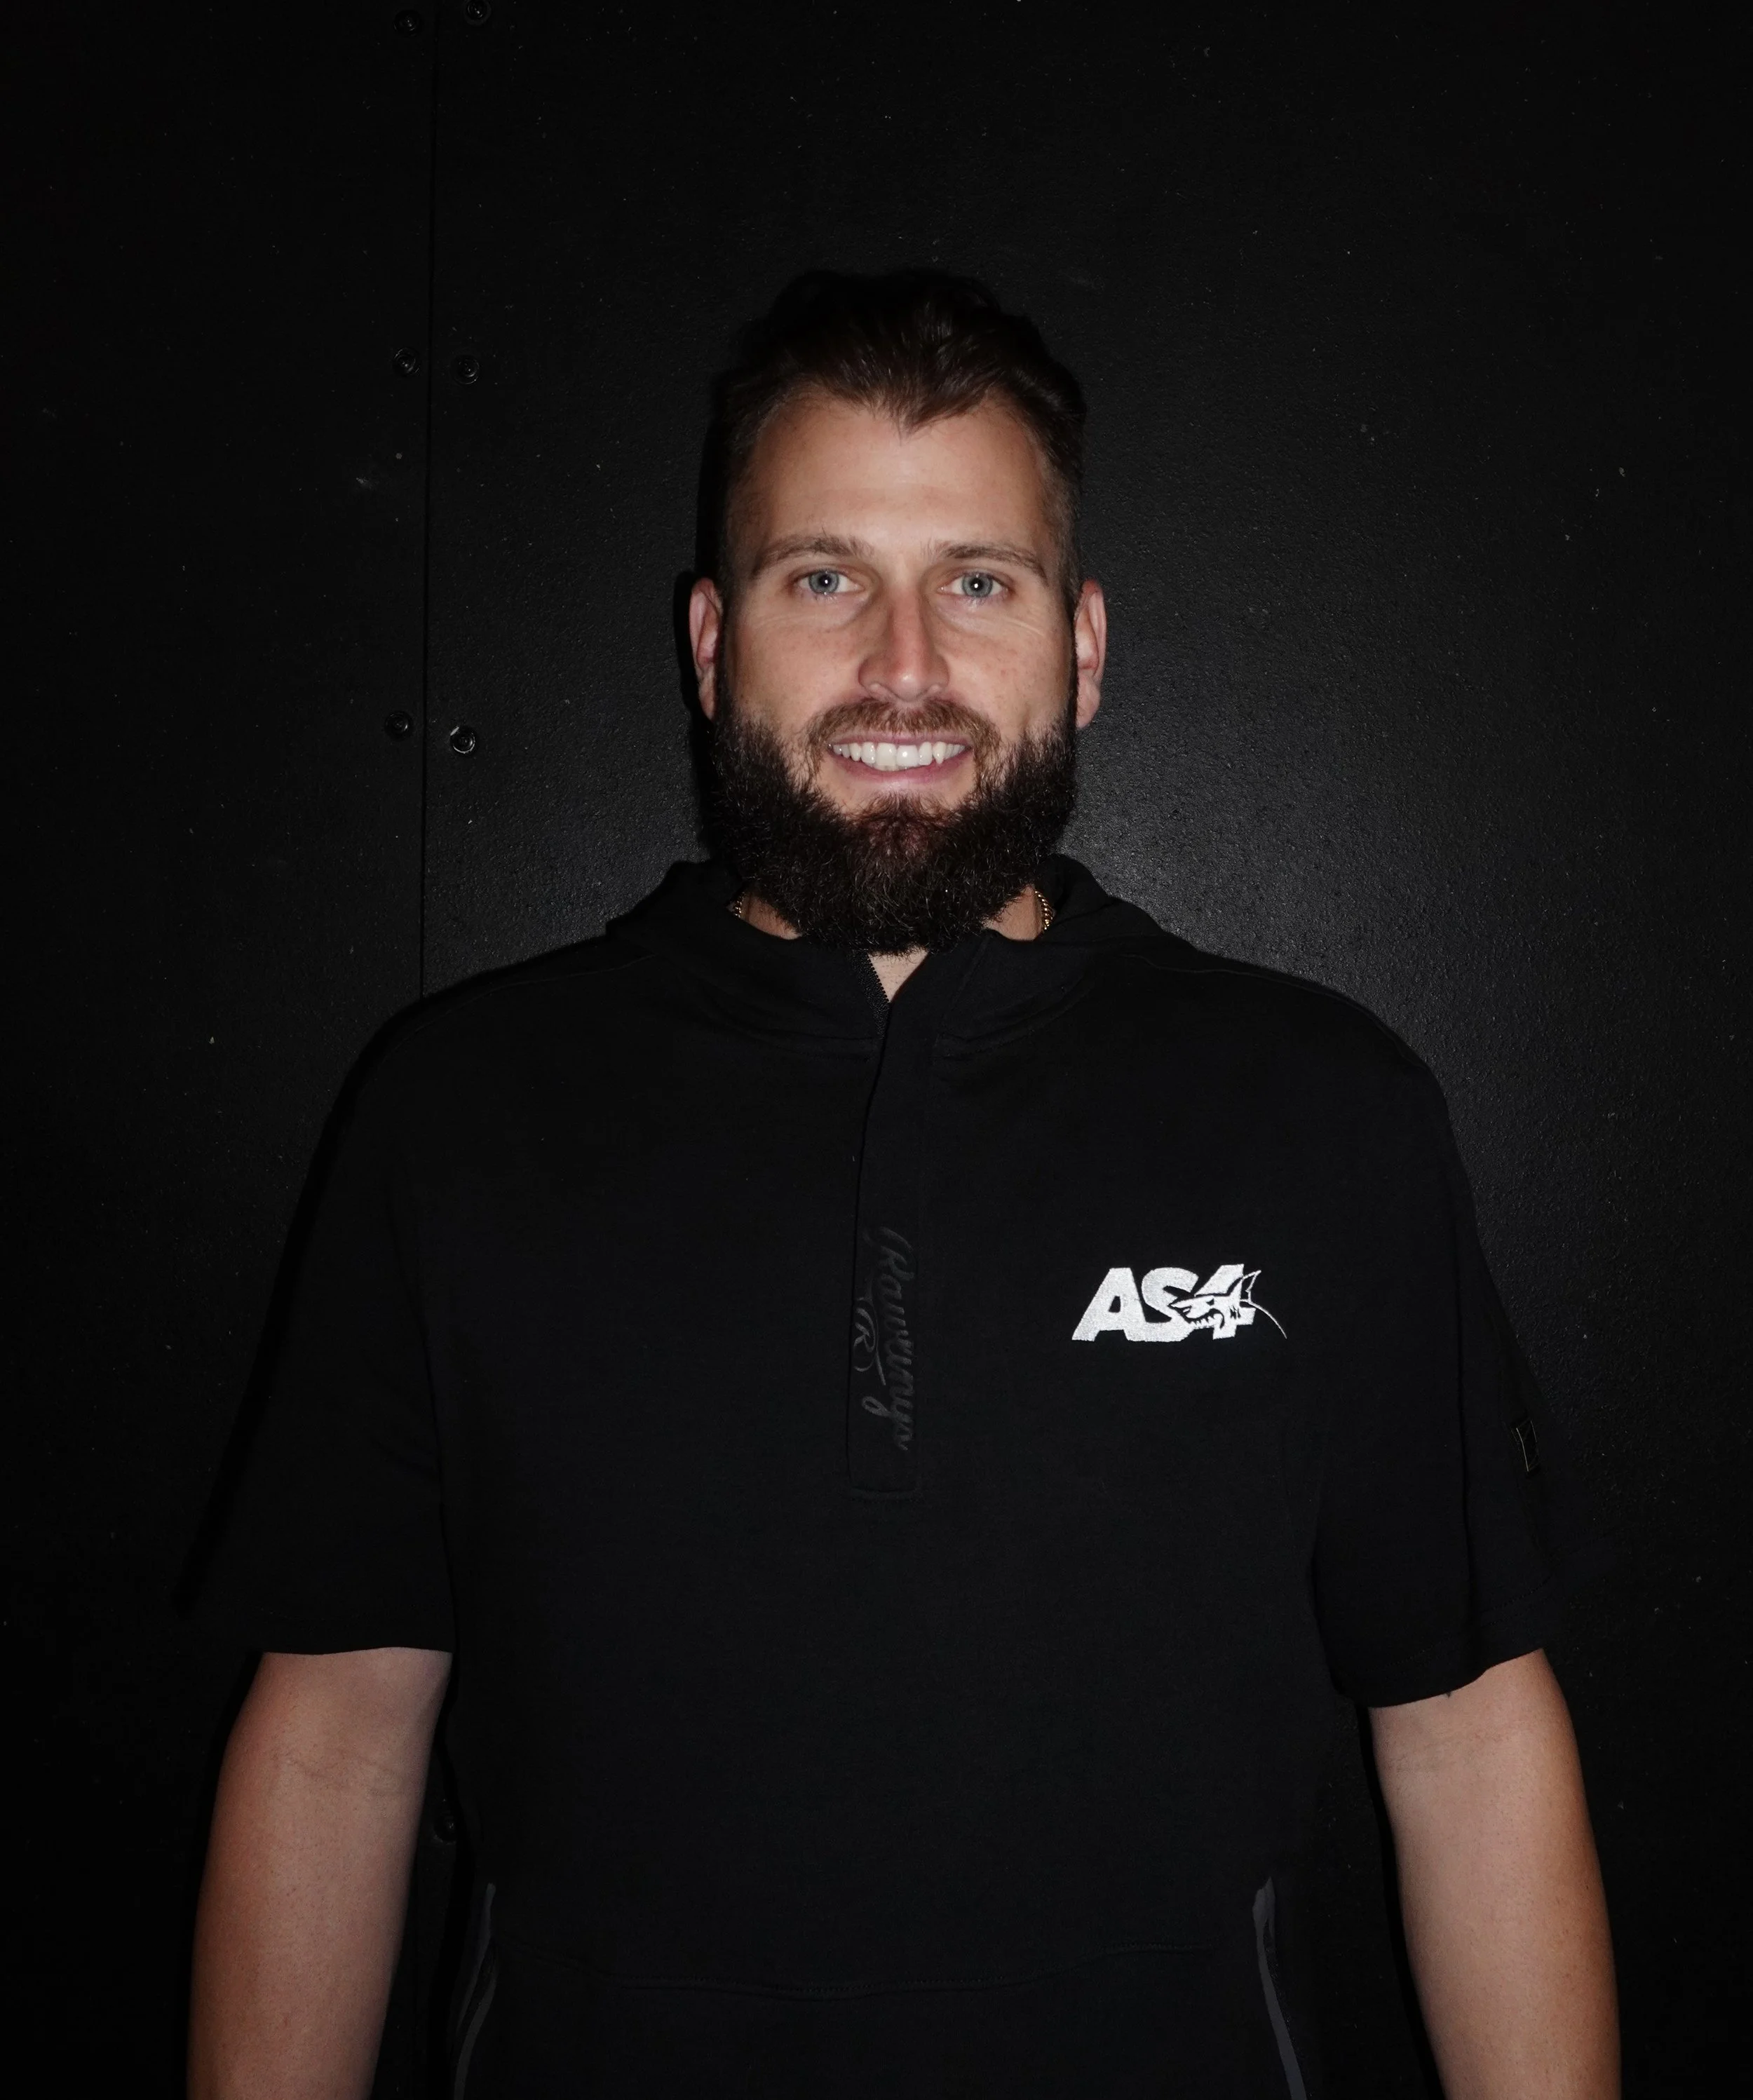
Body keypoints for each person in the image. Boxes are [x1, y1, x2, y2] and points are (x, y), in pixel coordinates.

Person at [189, 271, 1617, 2099]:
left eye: (977, 581)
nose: (904, 667)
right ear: (711, 642)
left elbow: (1470, 1733)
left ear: (1081, 644)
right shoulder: (461, 1111)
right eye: (822, 577)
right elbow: (332, 1737)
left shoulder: (1316, 1108)